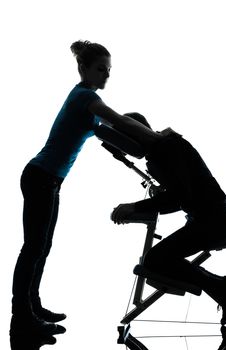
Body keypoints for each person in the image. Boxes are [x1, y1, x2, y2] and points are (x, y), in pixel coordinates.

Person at [11, 41, 158, 336]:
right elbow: (116, 120)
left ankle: (32, 304)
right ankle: (22, 316)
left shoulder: (89, 111)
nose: (106, 75)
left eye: (109, 70)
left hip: (49, 180)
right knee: (33, 248)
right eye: (101, 69)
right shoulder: (84, 98)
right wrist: (159, 139)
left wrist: (145, 148)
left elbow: (116, 136)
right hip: (40, 177)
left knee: (42, 247)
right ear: (83, 69)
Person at [109, 113, 226, 333]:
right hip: (208, 218)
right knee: (155, 259)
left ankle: (225, 287)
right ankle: (224, 288)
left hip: (216, 219)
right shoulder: (160, 150)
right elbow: (180, 200)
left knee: (154, 259)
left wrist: (135, 206)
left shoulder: (167, 148)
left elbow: (179, 196)